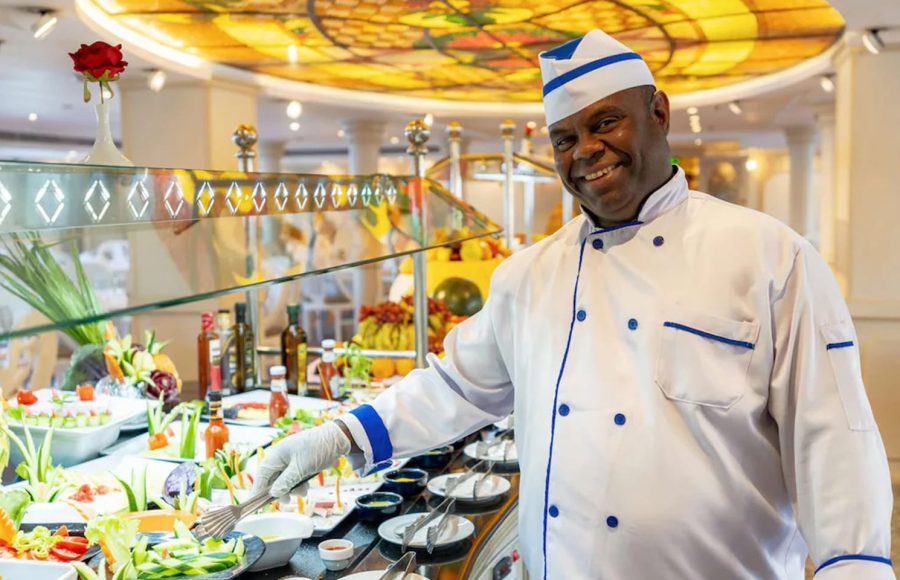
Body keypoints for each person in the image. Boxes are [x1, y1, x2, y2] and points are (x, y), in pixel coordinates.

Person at [254, 29, 894, 579]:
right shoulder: (530, 274)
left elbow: (833, 442)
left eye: (605, 123)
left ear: (660, 113)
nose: (585, 151)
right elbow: (457, 387)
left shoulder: (772, 258)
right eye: (564, 138)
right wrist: (334, 437)